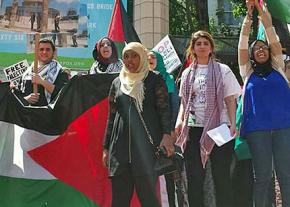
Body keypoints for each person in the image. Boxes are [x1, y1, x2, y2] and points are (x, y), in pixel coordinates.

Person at [102, 42, 174, 207]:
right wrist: (106, 148)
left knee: (148, 200)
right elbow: (111, 117)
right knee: (119, 202)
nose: (129, 60)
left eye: (134, 55)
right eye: (126, 56)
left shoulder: (154, 79)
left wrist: (166, 135)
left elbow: (164, 110)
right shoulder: (117, 83)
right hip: (119, 150)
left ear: (142, 57)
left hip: (145, 150)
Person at [175, 30, 241, 207]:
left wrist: (233, 123)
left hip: (220, 128)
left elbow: (230, 99)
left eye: (205, 43)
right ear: (193, 49)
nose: (202, 46)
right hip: (193, 129)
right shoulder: (188, 73)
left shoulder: (223, 70)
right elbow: (184, 101)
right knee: (195, 177)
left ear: (211, 48)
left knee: (222, 176)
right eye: (198, 44)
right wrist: (180, 120)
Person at [238, 1, 290, 207]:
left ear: (270, 53)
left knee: (286, 176)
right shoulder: (247, 72)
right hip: (257, 132)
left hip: (284, 129)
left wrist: (262, 10)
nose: (261, 49)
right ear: (251, 56)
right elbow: (243, 44)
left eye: (264, 47)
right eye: (256, 48)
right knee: (263, 178)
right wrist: (248, 19)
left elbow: (271, 34)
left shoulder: (278, 67)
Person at [148, 50, 181, 207]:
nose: (150, 59)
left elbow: (174, 105)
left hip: (166, 131)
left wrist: (172, 129)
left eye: (153, 57)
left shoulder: (168, 79)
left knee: (168, 169)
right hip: (149, 132)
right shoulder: (141, 79)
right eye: (147, 57)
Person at [15, 38, 69, 106]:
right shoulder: (27, 72)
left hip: (48, 115)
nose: (44, 52)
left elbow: (64, 95)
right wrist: (26, 99)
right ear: (36, 52)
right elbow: (18, 96)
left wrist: (42, 82)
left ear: (53, 52)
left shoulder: (61, 72)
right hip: (27, 114)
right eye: (41, 49)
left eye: (48, 49)